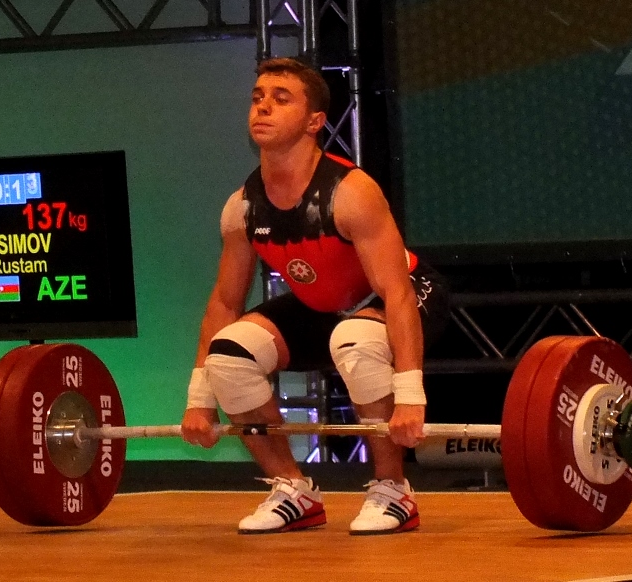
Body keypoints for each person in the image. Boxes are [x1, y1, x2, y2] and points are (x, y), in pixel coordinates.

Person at [180, 57, 450, 535]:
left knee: (356, 340)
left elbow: (395, 292)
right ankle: (293, 490)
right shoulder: (242, 208)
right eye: (258, 97)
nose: (263, 106)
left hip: (408, 294)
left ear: (314, 121)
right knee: (228, 357)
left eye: (280, 98)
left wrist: (411, 396)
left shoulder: (351, 192)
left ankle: (394, 490)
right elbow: (224, 304)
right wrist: (199, 397)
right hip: (324, 308)